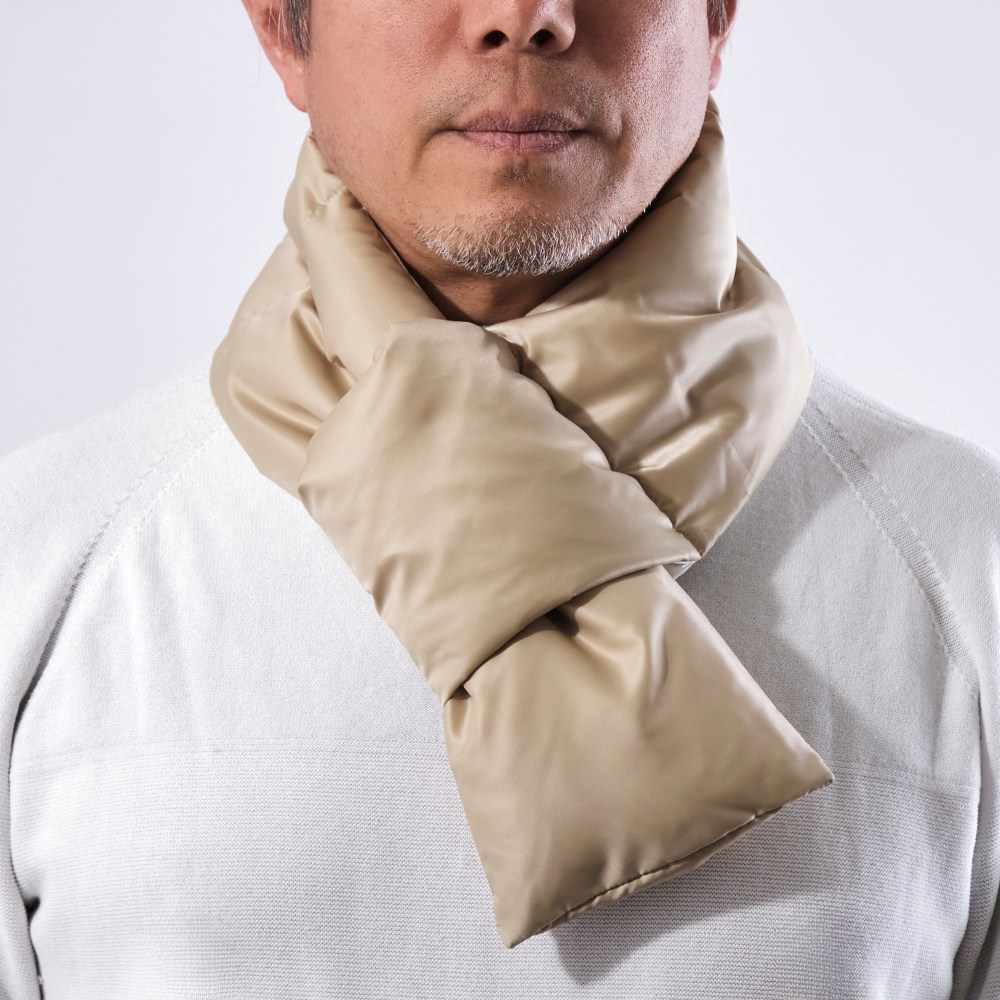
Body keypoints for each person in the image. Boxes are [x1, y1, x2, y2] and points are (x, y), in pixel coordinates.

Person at [1, 0, 997, 996]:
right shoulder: (35, 564)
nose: (523, 16)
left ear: (718, 19)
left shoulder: (970, 570)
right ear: (281, 28)